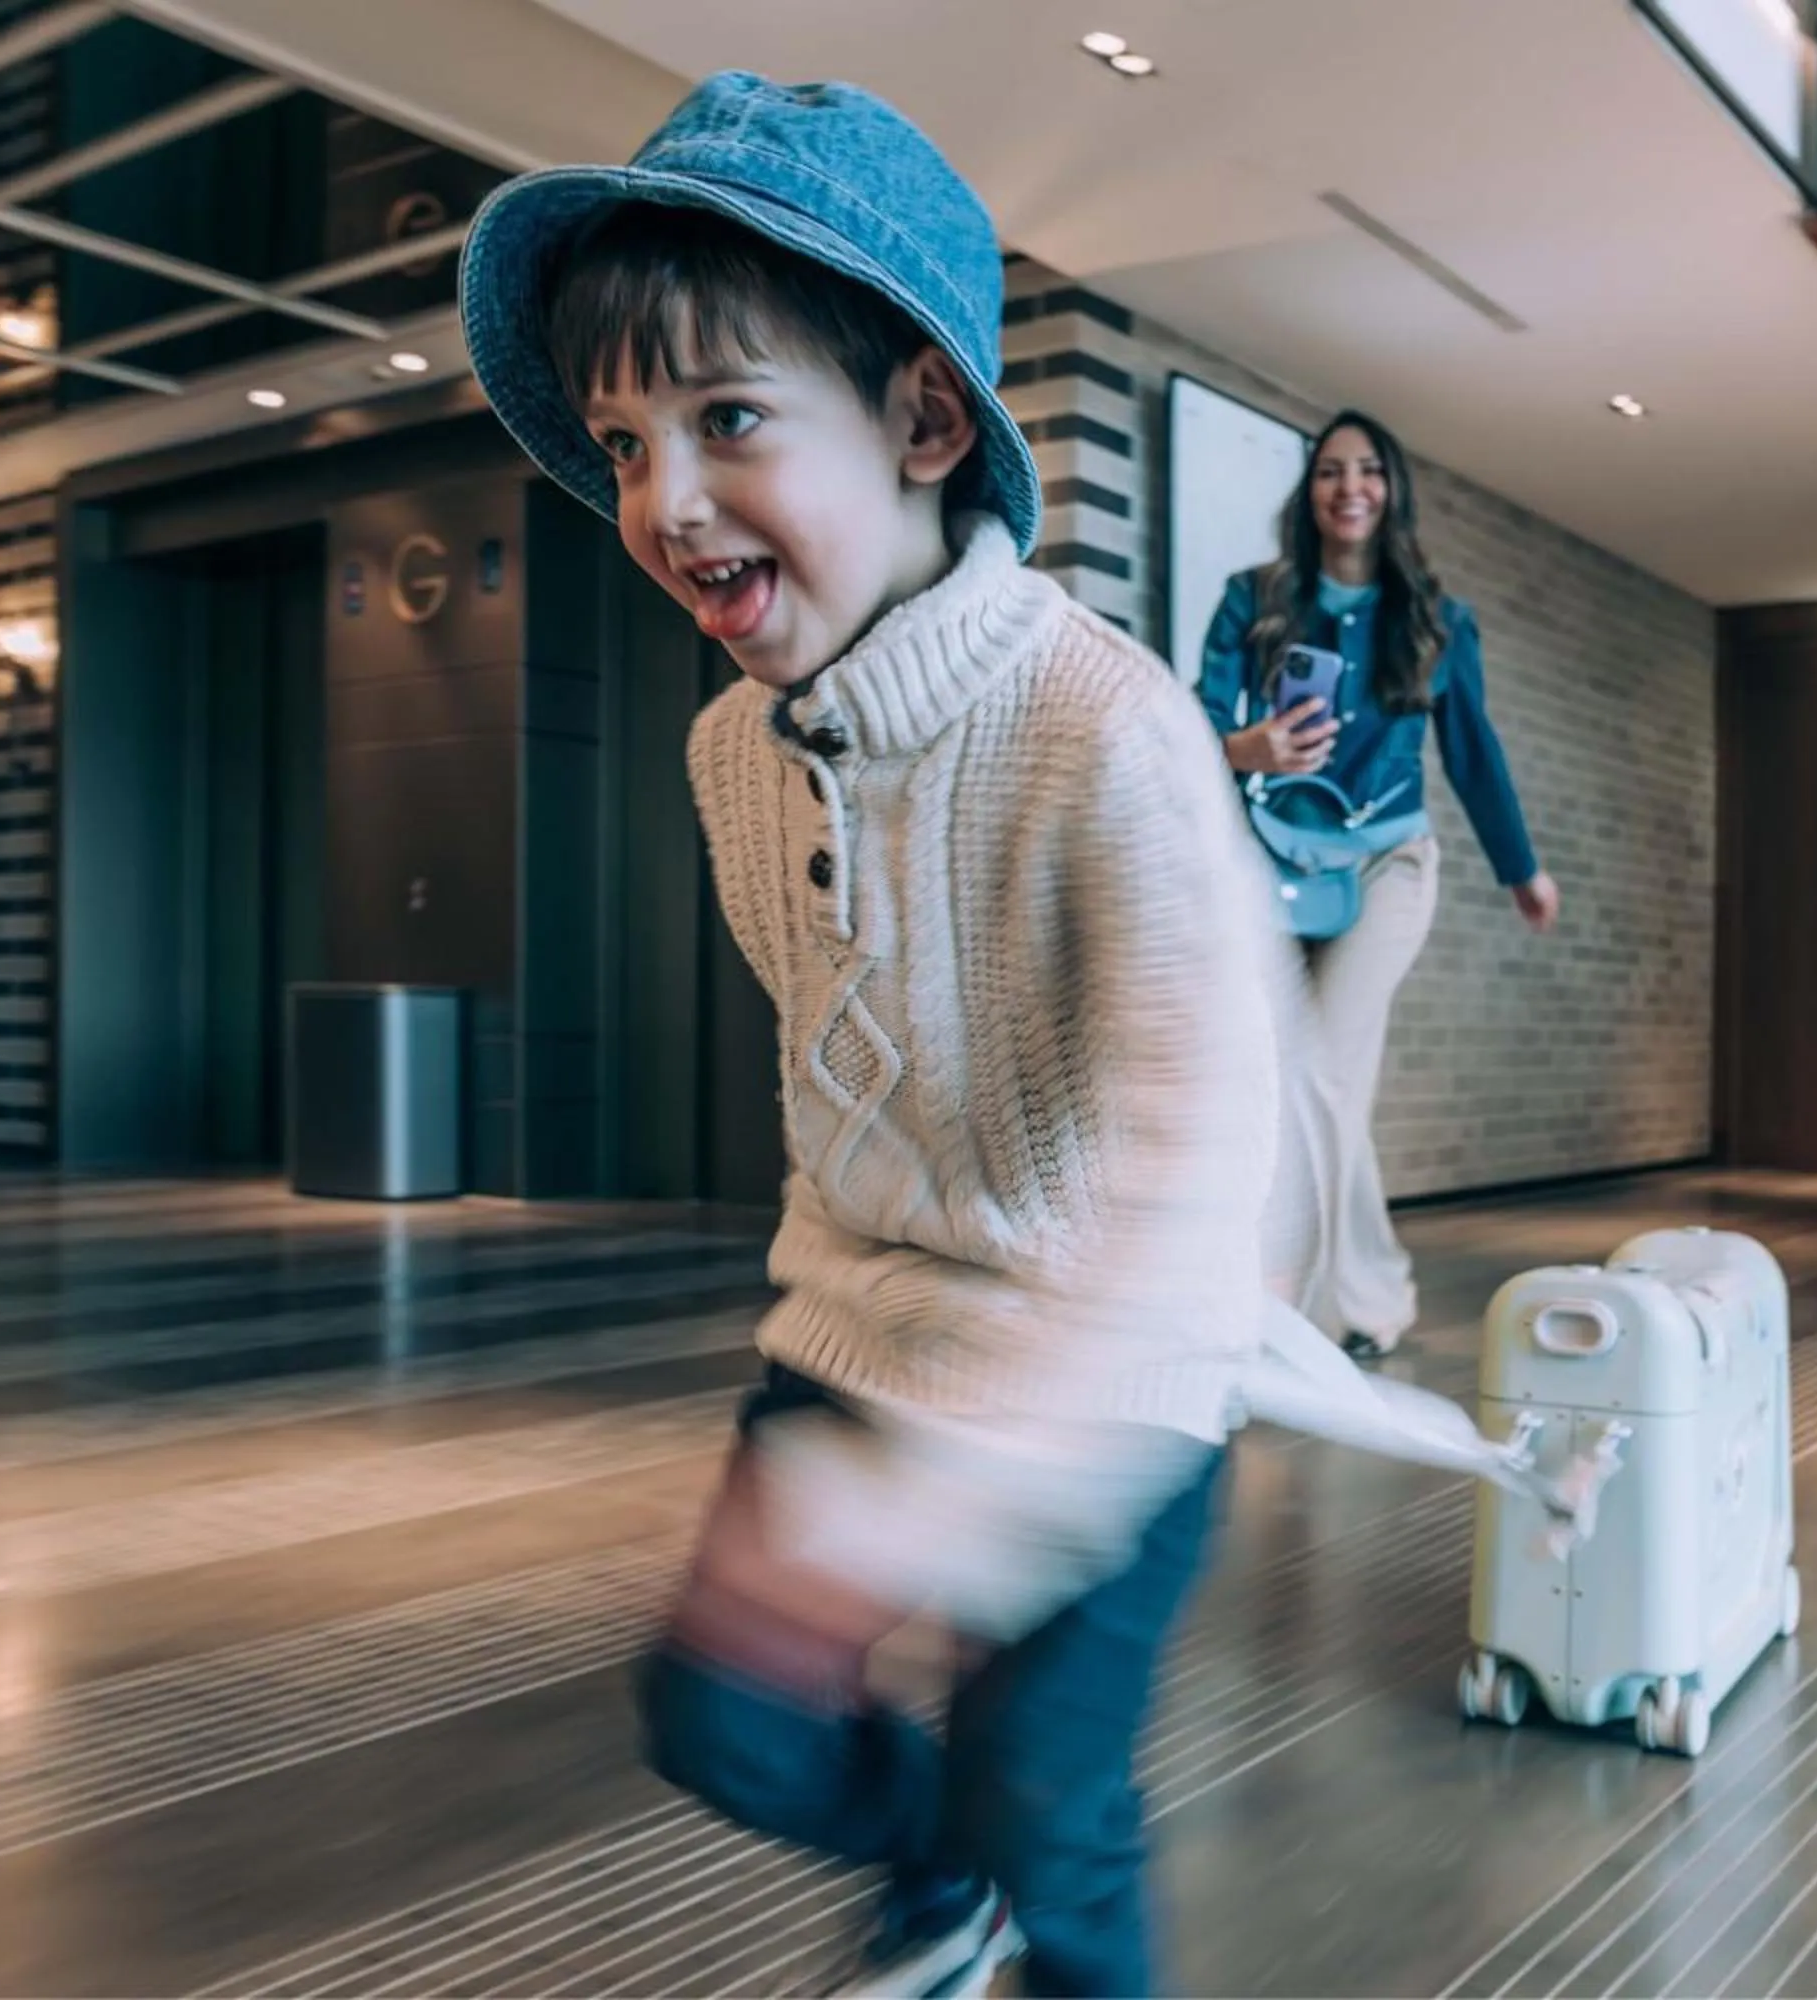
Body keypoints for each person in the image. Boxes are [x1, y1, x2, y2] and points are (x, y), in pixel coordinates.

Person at [459, 74, 1288, 1997]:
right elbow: (841, 1079)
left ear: (924, 419)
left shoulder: (1110, 732)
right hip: (865, 1332)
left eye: (728, 416)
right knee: (722, 1718)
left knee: (1048, 1811)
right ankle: (943, 1890)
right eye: (620, 439)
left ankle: (1002, 1882)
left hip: (1119, 1371)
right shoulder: (725, 750)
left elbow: (1192, 1181)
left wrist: (938, 1508)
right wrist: (838, 1433)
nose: (661, 500)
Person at [1198, 413, 1559, 1360]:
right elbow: (1184, 725)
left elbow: (1473, 755)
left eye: (1367, 471)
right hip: (1272, 857)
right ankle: (1356, 1298)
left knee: (1319, 1074)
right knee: (1299, 1084)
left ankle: (1320, 1306)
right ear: (1308, 491)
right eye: (1328, 471)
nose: (1347, 487)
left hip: (1388, 863)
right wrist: (1247, 748)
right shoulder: (1255, 599)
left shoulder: (1438, 621)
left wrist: (1521, 870)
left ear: (1392, 490)